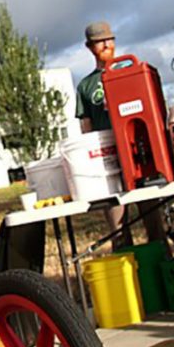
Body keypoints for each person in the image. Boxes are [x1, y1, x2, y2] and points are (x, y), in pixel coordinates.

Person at [75, 21, 126, 234]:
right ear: (89, 47)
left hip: (134, 151)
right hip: (107, 157)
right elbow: (86, 127)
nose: (105, 45)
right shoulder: (85, 85)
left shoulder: (129, 71)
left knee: (153, 217)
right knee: (118, 227)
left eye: (108, 39)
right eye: (99, 42)